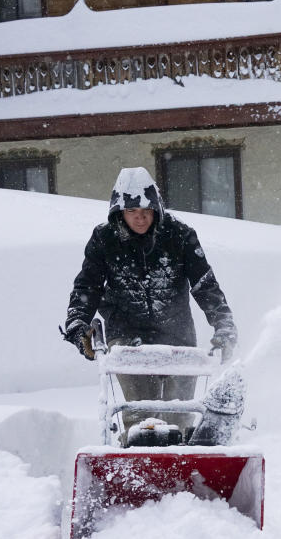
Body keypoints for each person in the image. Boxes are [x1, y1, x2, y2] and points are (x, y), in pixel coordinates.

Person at [61, 167, 237, 438]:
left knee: (179, 415)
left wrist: (223, 326)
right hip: (128, 340)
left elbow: (205, 285)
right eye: (132, 212)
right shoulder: (104, 239)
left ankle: (182, 468)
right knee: (142, 416)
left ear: (157, 209)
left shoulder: (179, 235)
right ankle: (135, 459)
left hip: (177, 338)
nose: (140, 218)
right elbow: (88, 286)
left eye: (146, 211)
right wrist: (77, 324)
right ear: (119, 212)